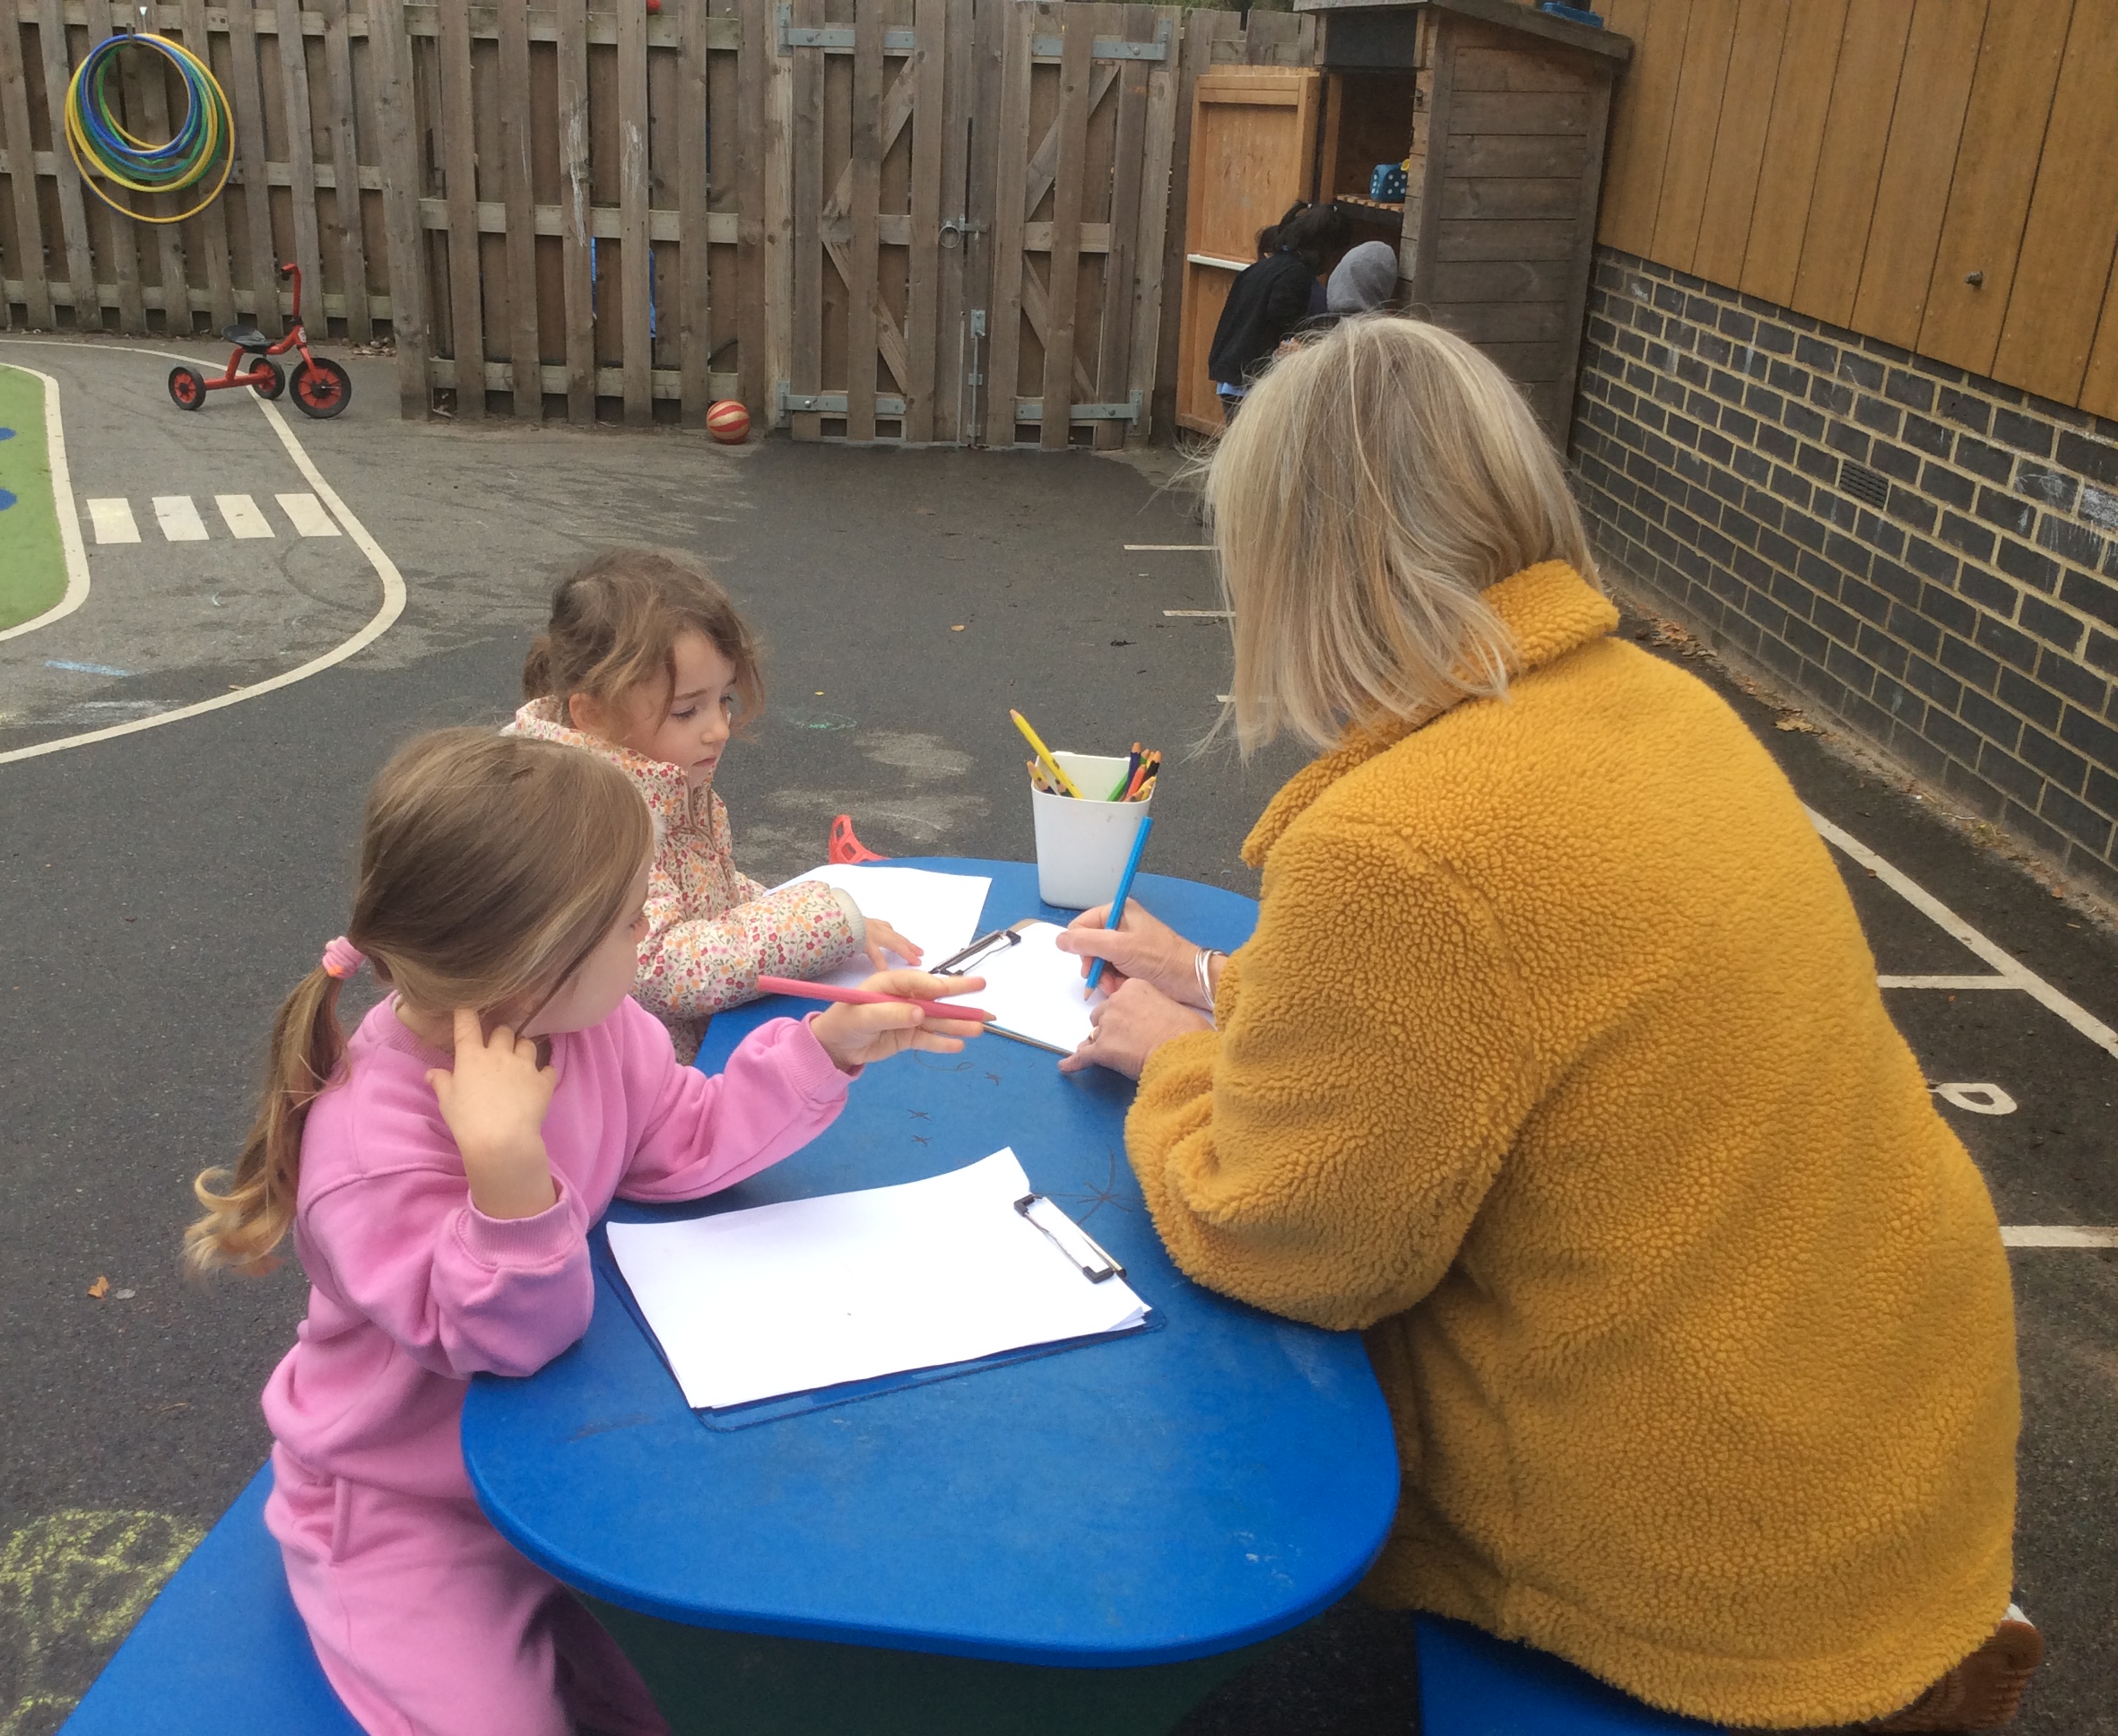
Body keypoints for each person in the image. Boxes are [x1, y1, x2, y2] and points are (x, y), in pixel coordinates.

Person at [1056, 319, 2037, 1732]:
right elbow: (1511, 1000)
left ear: (1289, 564)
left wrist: (1182, 1063)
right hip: (1890, 1453)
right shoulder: (1662, 709)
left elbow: (1289, 1241)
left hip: (1712, 1552)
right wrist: (1222, 980)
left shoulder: (1400, 842)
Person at [186, 728, 980, 1736]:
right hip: (406, 1502)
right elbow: (506, 1341)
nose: (647, 936)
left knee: (697, 1690)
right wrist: (509, 1178)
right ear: (531, 962)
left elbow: (681, 1136)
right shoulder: (371, 1147)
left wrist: (829, 1046)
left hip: (567, 1455)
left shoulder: (593, 1026)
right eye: (628, 919)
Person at [506, 548, 918, 1062]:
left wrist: (822, 916)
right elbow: (659, 966)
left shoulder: (659, 775)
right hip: (647, 1076)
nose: (719, 729)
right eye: (687, 711)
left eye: (723, 699)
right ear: (593, 715)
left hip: (698, 1046)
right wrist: (824, 923)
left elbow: (707, 891)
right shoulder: (590, 818)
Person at [1206, 201, 1355, 421]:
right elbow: (1282, 313)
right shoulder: (1296, 275)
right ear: (1325, 250)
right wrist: (1303, 340)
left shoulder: (1259, 269)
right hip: (1254, 379)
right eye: (1335, 255)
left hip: (1231, 371)